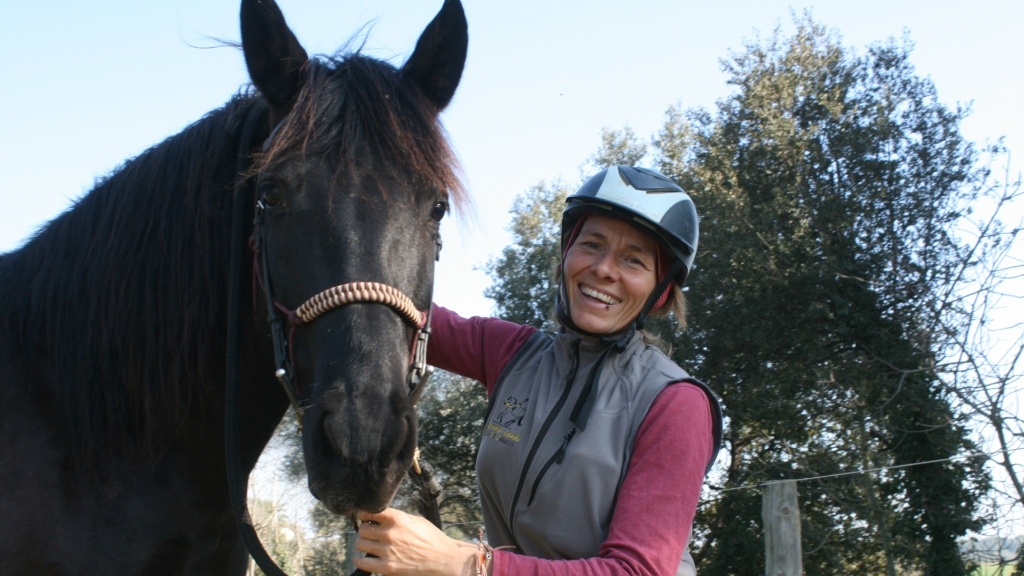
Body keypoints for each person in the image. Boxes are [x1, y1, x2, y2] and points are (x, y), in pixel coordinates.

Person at [353, 166, 723, 576]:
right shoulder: (514, 353)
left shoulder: (676, 404)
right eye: (591, 244)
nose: (603, 268)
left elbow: (637, 571)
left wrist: (463, 564)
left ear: (662, 292)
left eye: (633, 259)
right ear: (567, 254)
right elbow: (392, 311)